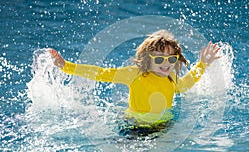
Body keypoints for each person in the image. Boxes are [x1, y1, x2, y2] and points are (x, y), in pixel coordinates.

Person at [49, 30, 220, 135]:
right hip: (134, 125)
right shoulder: (134, 74)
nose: (166, 64)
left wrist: (203, 63)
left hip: (164, 125)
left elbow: (185, 84)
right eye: (159, 59)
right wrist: (66, 66)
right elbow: (100, 73)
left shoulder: (171, 78)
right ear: (147, 59)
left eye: (171, 59)